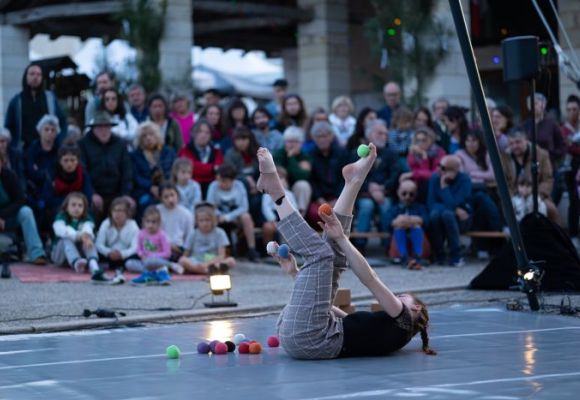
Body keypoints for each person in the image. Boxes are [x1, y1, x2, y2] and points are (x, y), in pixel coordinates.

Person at [255, 145, 435, 359]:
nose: (396, 297)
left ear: (415, 308)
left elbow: (370, 279)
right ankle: (353, 182)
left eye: (402, 297)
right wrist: (296, 274)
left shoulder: (404, 320)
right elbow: (326, 307)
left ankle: (275, 191)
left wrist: (342, 237)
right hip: (305, 334)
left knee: (321, 253)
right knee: (335, 259)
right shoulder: (391, 332)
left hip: (310, 338)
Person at [352, 119, 399, 250]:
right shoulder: (359, 153)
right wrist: (371, 189)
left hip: (384, 193)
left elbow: (395, 176)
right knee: (367, 206)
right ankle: (360, 246)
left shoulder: (391, 153)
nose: (383, 136)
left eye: (385, 134)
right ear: (369, 135)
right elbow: (354, 175)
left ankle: (388, 245)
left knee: (386, 205)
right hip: (363, 193)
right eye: (379, 133)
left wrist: (382, 188)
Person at [456, 130, 502, 260]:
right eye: (468, 140)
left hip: (488, 190)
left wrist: (473, 174)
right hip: (468, 192)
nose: (471, 144)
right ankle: (498, 227)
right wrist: (481, 175)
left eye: (474, 140)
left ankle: (484, 247)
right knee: (481, 198)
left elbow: (493, 174)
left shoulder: (486, 153)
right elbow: (462, 176)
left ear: (480, 141)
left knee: (482, 207)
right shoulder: (459, 155)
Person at [79, 112, 133, 222]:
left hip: (117, 192)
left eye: (107, 127)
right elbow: (83, 172)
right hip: (94, 191)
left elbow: (127, 170)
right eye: (100, 127)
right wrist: (92, 193)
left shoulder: (120, 144)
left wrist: (125, 194)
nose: (103, 131)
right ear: (93, 129)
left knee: (129, 206)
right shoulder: (83, 144)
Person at [501, 128, 560, 224]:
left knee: (550, 209)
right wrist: (513, 196)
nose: (514, 146)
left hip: (537, 193)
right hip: (514, 194)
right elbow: (503, 182)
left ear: (526, 140)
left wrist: (534, 193)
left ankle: (555, 233)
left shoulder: (541, 154)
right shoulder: (505, 157)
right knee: (510, 209)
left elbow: (548, 179)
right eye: (511, 143)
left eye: (518, 142)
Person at [4, 63, 67, 152]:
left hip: (47, 152)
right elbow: (8, 127)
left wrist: (58, 141)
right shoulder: (16, 101)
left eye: (38, 74)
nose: (35, 77)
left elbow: (63, 122)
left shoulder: (50, 99)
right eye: (32, 74)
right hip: (23, 152)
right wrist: (13, 147)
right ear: (26, 77)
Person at [0, 153, 48, 265]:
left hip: (9, 216)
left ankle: (36, 253)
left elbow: (20, 200)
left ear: (2, 163)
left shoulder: (10, 176)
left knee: (26, 212)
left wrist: (2, 216)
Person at [51, 192, 109, 282]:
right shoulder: (60, 218)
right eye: (73, 205)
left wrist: (86, 236)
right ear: (66, 207)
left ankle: (93, 264)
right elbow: (61, 230)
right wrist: (79, 236)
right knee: (67, 238)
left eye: (80, 206)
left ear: (84, 208)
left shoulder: (87, 219)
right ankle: (76, 262)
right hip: (61, 256)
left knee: (88, 237)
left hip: (81, 256)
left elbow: (88, 228)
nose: (76, 208)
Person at [206, 164, 259, 261]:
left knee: (246, 217)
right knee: (209, 216)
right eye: (218, 180)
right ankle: (211, 250)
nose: (220, 183)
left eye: (223, 181)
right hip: (218, 217)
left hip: (235, 217)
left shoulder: (239, 186)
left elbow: (244, 207)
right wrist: (219, 215)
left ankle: (252, 249)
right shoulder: (213, 186)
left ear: (232, 180)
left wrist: (228, 217)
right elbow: (210, 206)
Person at [427, 155, 472, 266]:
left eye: (442, 167)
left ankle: (456, 256)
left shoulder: (464, 181)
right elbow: (431, 203)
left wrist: (444, 187)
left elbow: (454, 203)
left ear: (454, 170)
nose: (438, 169)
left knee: (447, 215)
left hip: (462, 220)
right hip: (442, 216)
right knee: (435, 214)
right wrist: (454, 208)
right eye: (439, 165)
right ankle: (439, 255)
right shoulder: (435, 178)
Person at [39, 143, 93, 229]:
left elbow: (88, 197)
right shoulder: (52, 175)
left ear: (78, 161)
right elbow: (47, 198)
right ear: (60, 161)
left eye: (72, 160)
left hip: (78, 206)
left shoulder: (83, 175)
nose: (69, 164)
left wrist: (74, 205)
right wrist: (68, 205)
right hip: (59, 208)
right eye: (66, 160)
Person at [307, 121, 349, 227]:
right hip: (319, 199)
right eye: (319, 136)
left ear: (331, 136)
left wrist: (338, 199)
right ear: (314, 138)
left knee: (344, 212)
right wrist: (320, 199)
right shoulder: (309, 156)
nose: (322, 139)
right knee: (314, 213)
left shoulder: (342, 153)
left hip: (340, 197)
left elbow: (345, 179)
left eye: (325, 136)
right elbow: (311, 180)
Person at [131, 122, 176, 216]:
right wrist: (150, 187)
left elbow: (172, 172)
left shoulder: (168, 152)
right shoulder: (135, 156)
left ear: (157, 136)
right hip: (144, 190)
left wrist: (163, 188)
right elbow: (135, 176)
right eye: (144, 136)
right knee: (145, 202)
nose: (148, 138)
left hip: (167, 187)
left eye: (151, 134)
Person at [178, 202, 236, 274]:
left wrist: (206, 264)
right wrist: (186, 263)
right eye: (201, 220)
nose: (204, 223)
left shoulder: (220, 233)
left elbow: (221, 255)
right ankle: (207, 271)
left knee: (231, 261)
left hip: (213, 261)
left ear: (213, 220)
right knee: (182, 260)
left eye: (207, 220)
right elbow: (186, 254)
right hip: (196, 261)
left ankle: (205, 270)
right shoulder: (193, 233)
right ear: (197, 221)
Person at [384, 180, 429, 269]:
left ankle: (418, 256)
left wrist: (406, 220)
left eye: (411, 194)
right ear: (398, 192)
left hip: (417, 238)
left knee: (416, 227)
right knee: (399, 228)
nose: (407, 197)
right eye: (404, 193)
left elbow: (426, 221)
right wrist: (411, 221)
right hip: (397, 243)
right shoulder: (393, 209)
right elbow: (387, 223)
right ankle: (403, 257)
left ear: (415, 194)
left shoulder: (420, 207)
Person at [95, 196, 139, 285]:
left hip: (125, 257)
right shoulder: (106, 223)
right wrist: (108, 252)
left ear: (127, 213)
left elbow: (135, 247)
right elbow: (99, 244)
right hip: (109, 255)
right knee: (95, 253)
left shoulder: (133, 225)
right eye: (114, 210)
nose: (117, 214)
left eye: (120, 211)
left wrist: (122, 254)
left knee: (133, 259)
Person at [178, 118, 224, 197]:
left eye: (207, 133)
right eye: (200, 132)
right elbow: (192, 167)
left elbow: (220, 169)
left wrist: (205, 170)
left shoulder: (216, 151)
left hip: (212, 189)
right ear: (194, 133)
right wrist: (212, 169)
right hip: (191, 188)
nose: (203, 135)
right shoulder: (185, 150)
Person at [128, 205, 173, 285]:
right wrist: (142, 255)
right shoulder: (141, 233)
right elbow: (138, 249)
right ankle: (153, 273)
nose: (150, 225)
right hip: (145, 261)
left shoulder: (162, 235)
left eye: (153, 222)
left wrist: (152, 256)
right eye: (148, 221)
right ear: (143, 221)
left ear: (159, 223)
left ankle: (166, 268)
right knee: (129, 263)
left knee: (151, 261)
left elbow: (167, 253)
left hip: (157, 261)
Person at [24, 115, 61, 210]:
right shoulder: (31, 151)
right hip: (34, 193)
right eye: (46, 129)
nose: (49, 132)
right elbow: (31, 173)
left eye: (53, 130)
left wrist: (41, 172)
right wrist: (45, 174)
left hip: (55, 193)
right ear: (40, 131)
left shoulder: (59, 151)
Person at [401, 126, 446, 202]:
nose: (420, 143)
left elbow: (435, 174)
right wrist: (412, 155)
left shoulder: (439, 152)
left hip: (435, 183)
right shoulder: (413, 153)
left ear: (431, 140)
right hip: (418, 184)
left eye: (424, 140)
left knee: (426, 183)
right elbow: (413, 171)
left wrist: (424, 158)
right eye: (418, 141)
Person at [274, 127, 312, 216]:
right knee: (281, 183)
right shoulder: (278, 154)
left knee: (303, 185)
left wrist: (291, 157)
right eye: (289, 141)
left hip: (296, 188)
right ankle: (283, 216)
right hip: (284, 187)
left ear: (301, 143)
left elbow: (303, 176)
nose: (291, 144)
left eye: (295, 141)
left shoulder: (304, 156)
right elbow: (278, 174)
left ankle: (300, 217)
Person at [156, 182, 193, 270]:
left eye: (172, 195)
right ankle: (169, 266)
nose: (170, 199)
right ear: (161, 198)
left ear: (177, 195)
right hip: (160, 247)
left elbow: (189, 237)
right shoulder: (157, 211)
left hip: (178, 249)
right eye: (166, 197)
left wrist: (182, 250)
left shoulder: (186, 214)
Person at [523, 93, 566, 168]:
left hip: (549, 165)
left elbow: (562, 146)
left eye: (535, 103)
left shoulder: (551, 124)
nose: (532, 106)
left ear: (543, 105)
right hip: (530, 166)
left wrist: (551, 155)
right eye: (529, 104)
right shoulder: (524, 125)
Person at [261, 166, 298, 247]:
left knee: (290, 228)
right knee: (267, 227)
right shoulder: (268, 194)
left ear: (285, 180)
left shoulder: (290, 194)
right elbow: (266, 208)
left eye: (281, 178)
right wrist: (272, 219)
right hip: (273, 218)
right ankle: (269, 250)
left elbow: (294, 208)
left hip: (286, 218)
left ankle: (286, 249)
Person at [561, 94, 580, 244]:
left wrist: (573, 145)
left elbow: (572, 147)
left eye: (574, 109)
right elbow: (567, 148)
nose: (571, 112)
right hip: (570, 169)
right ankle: (573, 236)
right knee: (574, 200)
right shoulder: (564, 130)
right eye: (569, 109)